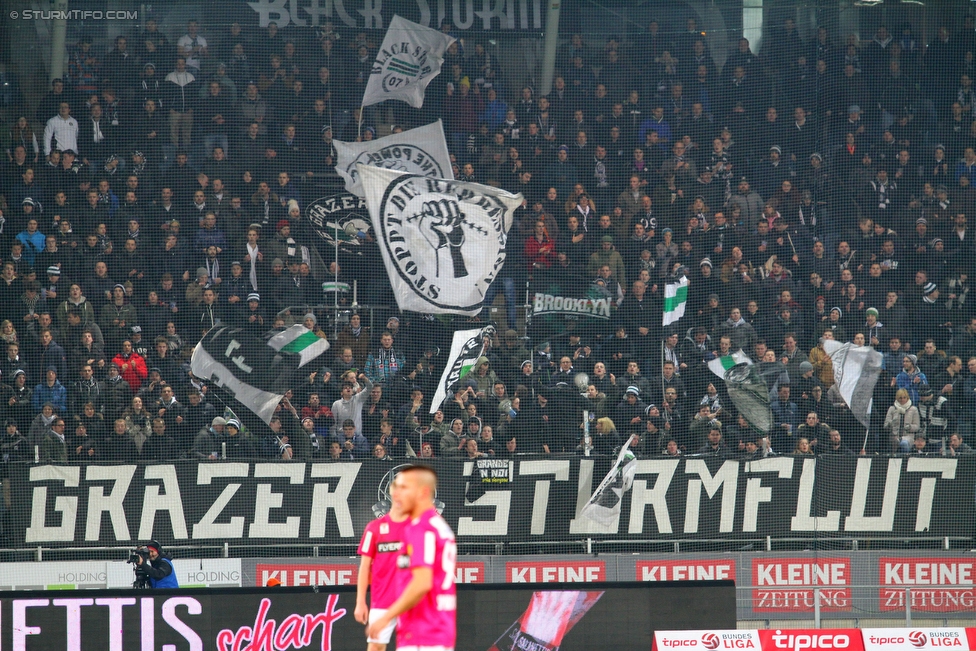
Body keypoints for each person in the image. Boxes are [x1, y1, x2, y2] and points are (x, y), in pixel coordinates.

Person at [367, 466, 456, 650]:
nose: (398, 495)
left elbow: (421, 584)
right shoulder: (440, 526)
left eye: (405, 488)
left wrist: (386, 617)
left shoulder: (420, 528)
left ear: (423, 492)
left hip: (421, 631)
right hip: (441, 629)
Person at [355, 484, 409, 651]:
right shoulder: (374, 528)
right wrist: (360, 602)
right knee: (376, 646)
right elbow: (364, 567)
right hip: (382, 600)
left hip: (410, 600)